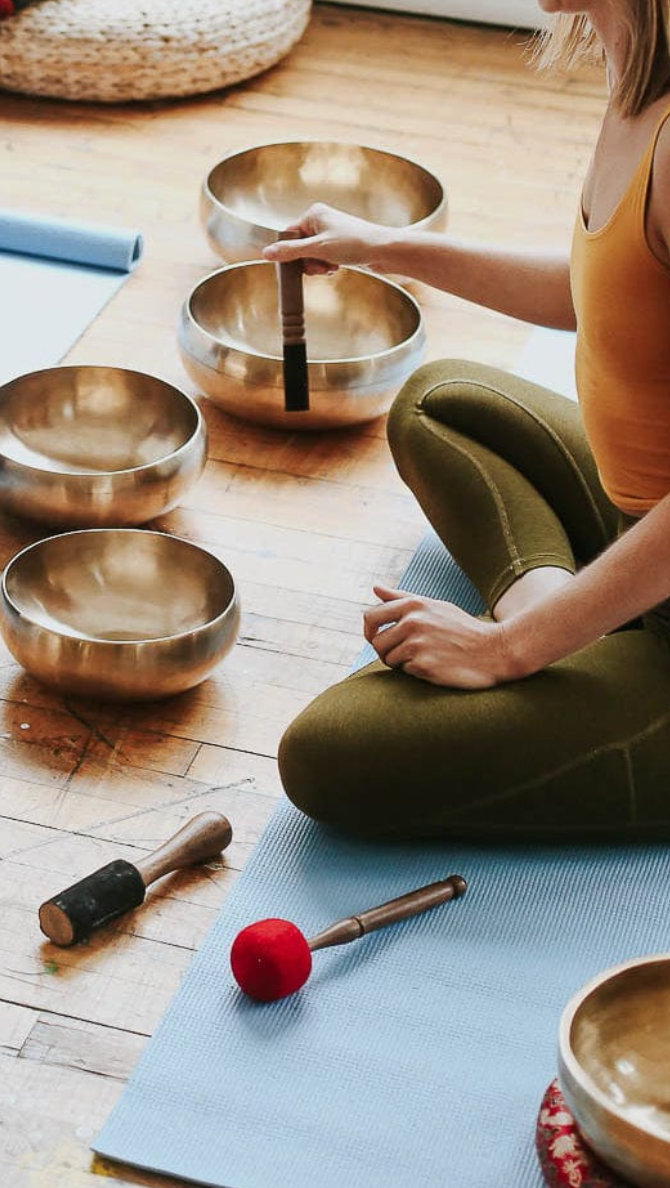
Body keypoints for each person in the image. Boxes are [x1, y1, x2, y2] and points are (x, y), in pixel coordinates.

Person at [271, 0, 670, 840]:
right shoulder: (636, 81)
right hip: (643, 523)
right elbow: (592, 288)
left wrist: (507, 652)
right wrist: (381, 248)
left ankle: (569, 629)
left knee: (329, 750)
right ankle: (560, 601)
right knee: (441, 400)